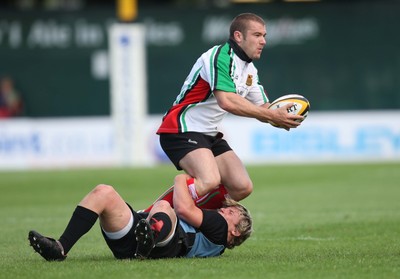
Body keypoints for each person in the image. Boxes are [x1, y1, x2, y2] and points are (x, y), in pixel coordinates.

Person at [157, 13, 304, 203]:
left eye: (264, 36)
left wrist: (281, 115)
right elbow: (226, 100)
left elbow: (263, 107)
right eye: (257, 35)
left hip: (207, 134)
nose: (263, 41)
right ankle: (152, 217)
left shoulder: (250, 70)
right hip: (181, 129)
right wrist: (271, 114)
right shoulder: (219, 56)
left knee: (241, 187)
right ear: (238, 36)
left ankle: (190, 222)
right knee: (209, 180)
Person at [28, 174, 252, 261]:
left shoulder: (219, 228)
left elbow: (183, 208)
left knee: (166, 206)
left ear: (236, 231)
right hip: (136, 244)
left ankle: (150, 236)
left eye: (232, 212)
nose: (224, 210)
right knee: (103, 192)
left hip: (167, 244)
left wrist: (182, 178)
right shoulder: (216, 246)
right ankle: (60, 248)